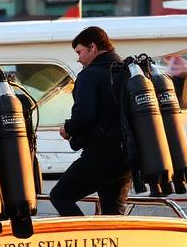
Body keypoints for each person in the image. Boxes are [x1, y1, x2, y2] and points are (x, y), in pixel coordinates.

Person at [51, 26, 132, 216]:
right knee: (113, 214)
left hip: (100, 154)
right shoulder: (126, 71)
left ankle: (84, 240)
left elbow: (83, 117)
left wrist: (68, 128)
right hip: (127, 156)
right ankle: (115, 245)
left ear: (93, 47)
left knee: (60, 196)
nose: (79, 58)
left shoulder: (89, 75)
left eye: (80, 52)